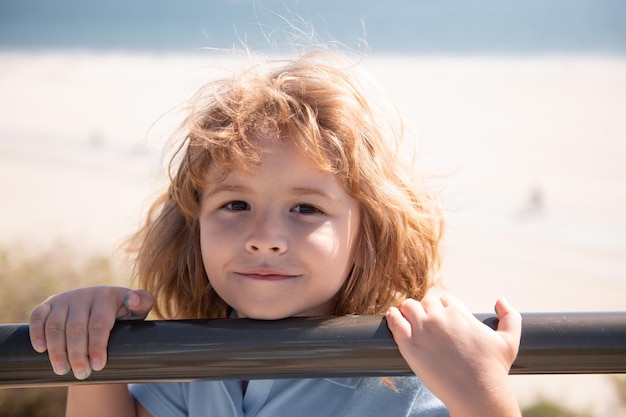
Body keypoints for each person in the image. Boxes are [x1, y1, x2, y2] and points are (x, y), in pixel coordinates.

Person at [29, 50, 522, 417]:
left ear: (369, 233)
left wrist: (481, 393)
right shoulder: (185, 366)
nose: (265, 237)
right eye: (235, 204)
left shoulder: (409, 376)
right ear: (193, 222)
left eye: (305, 208)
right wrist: (90, 341)